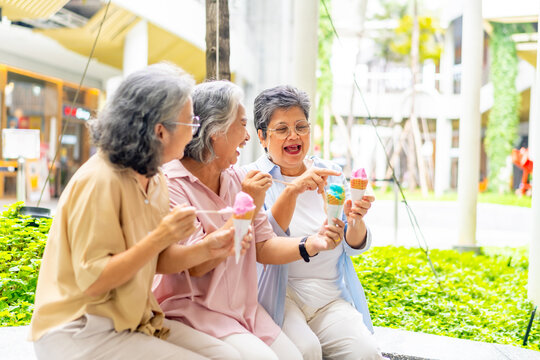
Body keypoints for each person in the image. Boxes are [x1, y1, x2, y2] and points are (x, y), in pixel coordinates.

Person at [30, 63, 241, 360]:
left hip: (129, 321)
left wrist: (208, 248)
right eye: (189, 123)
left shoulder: (154, 177)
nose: (195, 131)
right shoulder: (100, 180)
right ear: (160, 132)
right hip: (78, 328)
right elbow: (94, 280)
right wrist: (159, 237)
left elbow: (158, 260)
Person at [152, 80, 340, 360]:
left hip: (243, 309)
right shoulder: (171, 183)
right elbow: (198, 266)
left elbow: (264, 247)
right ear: (216, 131)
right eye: (242, 124)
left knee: (295, 356)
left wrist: (311, 243)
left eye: (301, 127)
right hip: (194, 311)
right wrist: (247, 204)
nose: (249, 137)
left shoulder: (238, 178)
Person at [246, 85, 385, 360]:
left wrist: (355, 221)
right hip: (279, 297)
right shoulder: (251, 179)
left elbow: (353, 246)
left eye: (301, 126)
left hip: (329, 296)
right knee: (305, 350)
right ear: (262, 137)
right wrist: (293, 190)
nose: (294, 136)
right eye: (282, 129)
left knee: (365, 353)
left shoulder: (331, 173)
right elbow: (262, 246)